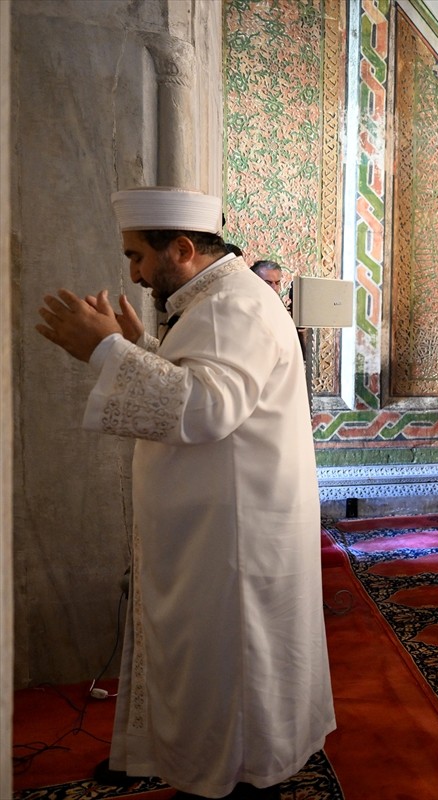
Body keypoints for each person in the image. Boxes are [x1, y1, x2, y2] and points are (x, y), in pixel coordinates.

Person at [34, 186, 335, 799]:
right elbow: (208, 383)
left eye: (136, 256)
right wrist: (141, 350)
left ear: (181, 248)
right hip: (216, 528)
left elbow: (206, 408)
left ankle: (234, 779)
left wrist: (106, 352)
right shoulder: (220, 300)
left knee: (226, 671)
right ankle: (197, 764)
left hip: (230, 541)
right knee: (205, 666)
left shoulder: (231, 306)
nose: (134, 274)